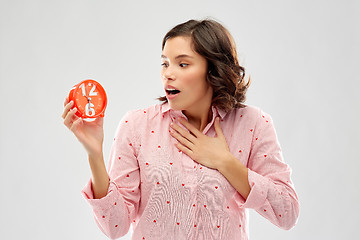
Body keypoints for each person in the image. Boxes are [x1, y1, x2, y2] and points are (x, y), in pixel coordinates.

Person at [62, 19, 299, 240]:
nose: (168, 73)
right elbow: (115, 227)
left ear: (213, 70)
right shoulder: (136, 126)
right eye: (165, 63)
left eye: (182, 64)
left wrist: (226, 162)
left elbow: (287, 213)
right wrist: (94, 155)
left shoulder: (254, 124)